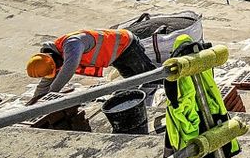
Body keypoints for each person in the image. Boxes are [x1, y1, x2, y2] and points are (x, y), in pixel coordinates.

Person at [26, 29, 157, 105]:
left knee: (150, 78)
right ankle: (140, 103)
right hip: (115, 56)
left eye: (57, 67)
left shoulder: (72, 44)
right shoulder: (55, 56)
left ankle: (154, 105)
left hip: (127, 45)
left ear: (52, 58)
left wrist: (52, 94)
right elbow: (47, 80)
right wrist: (36, 100)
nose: (58, 69)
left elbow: (68, 69)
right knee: (132, 81)